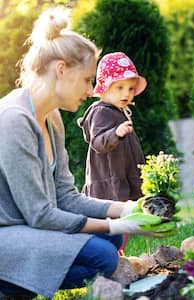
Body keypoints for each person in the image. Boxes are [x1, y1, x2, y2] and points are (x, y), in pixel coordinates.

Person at [0, 7, 169, 299]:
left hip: (31, 229)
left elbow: (67, 197)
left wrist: (129, 209)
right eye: (88, 80)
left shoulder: (51, 118)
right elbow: (40, 214)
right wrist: (120, 222)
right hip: (9, 234)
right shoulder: (14, 120)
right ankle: (9, 284)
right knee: (104, 254)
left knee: (111, 238)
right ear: (61, 69)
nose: (92, 90)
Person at [77, 52, 147, 254]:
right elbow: (98, 142)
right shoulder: (101, 111)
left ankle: (118, 254)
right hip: (108, 181)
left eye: (130, 88)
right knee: (114, 222)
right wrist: (115, 133)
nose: (127, 93)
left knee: (123, 221)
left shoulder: (117, 110)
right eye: (119, 87)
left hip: (120, 177)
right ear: (104, 88)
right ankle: (112, 254)